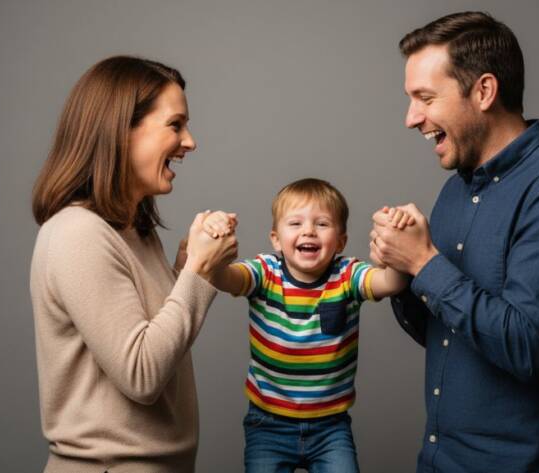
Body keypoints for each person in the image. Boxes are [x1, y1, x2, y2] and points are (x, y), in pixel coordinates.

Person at [369, 12, 539, 473]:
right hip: (442, 460)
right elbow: (449, 336)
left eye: (424, 98)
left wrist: (425, 263)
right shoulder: (455, 191)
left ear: (483, 91)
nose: (410, 118)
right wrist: (400, 273)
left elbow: (528, 347)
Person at [29, 56, 237, 472]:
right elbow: (142, 374)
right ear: (121, 132)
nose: (190, 142)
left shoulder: (134, 230)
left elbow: (153, 338)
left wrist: (184, 273)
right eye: (175, 125)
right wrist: (196, 273)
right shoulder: (77, 234)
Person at [200, 178, 411, 472]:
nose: (309, 230)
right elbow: (224, 278)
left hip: (330, 427)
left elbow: (390, 283)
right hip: (268, 423)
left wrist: (398, 248)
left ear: (341, 241)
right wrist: (214, 240)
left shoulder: (348, 274)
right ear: (276, 238)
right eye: (295, 223)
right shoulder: (265, 272)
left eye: (322, 224)